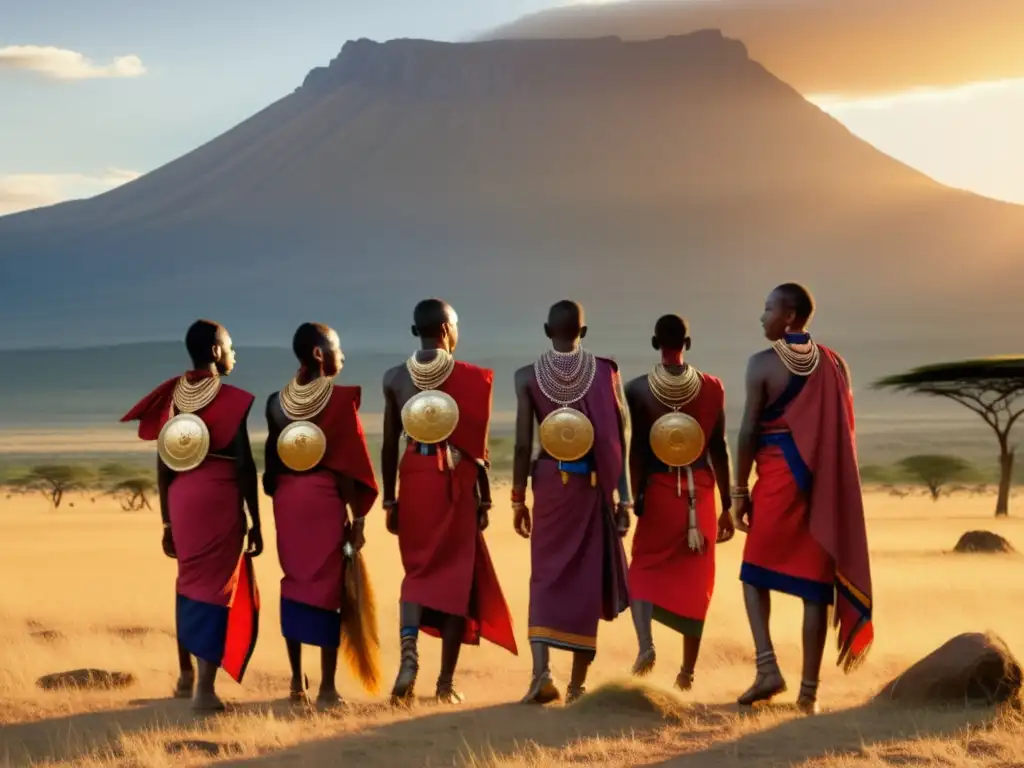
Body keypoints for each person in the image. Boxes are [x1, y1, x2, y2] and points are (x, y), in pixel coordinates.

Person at [733, 283, 873, 715]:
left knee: (754, 576)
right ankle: (808, 696)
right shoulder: (835, 364)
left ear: (790, 316)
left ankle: (767, 668)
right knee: (815, 592)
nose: (762, 317)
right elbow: (843, 437)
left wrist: (739, 491)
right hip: (822, 490)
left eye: (768, 308)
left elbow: (747, 431)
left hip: (778, 483)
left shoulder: (762, 365)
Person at [121, 319, 262, 712]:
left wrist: (166, 521)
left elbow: (163, 463)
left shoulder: (172, 399)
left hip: (183, 500)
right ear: (216, 352)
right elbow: (245, 466)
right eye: (231, 347)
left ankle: (185, 676)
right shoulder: (232, 399)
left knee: (188, 583)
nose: (235, 354)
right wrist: (256, 520)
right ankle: (205, 691)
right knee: (216, 589)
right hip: (219, 499)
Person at [381, 298, 517, 705]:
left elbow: (390, 445)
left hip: (414, 476)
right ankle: (444, 683)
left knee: (417, 573)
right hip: (455, 482)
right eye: (456, 326)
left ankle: (408, 657)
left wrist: (390, 500)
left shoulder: (394, 378)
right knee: (457, 579)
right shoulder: (473, 379)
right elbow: (478, 450)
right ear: (445, 329)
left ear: (415, 331)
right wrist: (486, 501)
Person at [512, 299, 632, 705]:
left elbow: (522, 443)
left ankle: (541, 673)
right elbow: (618, 438)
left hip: (549, 484)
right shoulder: (605, 373)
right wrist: (624, 501)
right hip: (591, 485)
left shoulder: (527, 376)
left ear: (547, 330)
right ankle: (578, 686)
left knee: (544, 575)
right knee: (585, 581)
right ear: (583, 332)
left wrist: (516, 499)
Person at [263, 323, 379, 707]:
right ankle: (328, 688)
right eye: (337, 348)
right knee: (329, 587)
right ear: (318, 354)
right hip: (323, 499)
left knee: (294, 580)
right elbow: (350, 465)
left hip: (287, 500)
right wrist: (357, 520)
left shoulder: (274, 403)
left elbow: (270, 471)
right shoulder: (339, 400)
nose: (342, 356)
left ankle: (297, 683)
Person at [625, 314, 735, 691]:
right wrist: (728, 503)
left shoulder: (638, 390)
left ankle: (645, 645)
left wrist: (635, 494)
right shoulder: (713, 387)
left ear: (656, 342)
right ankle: (687, 672)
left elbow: (637, 448)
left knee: (642, 566)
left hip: (659, 491)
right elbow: (719, 448)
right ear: (687, 342)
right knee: (697, 580)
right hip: (701, 493)